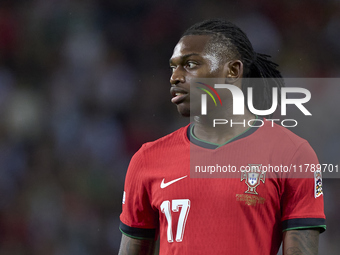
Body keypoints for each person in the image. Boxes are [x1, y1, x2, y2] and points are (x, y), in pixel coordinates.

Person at [118, 19, 325, 255]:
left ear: (233, 71)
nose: (175, 77)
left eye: (191, 64)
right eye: (173, 67)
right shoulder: (147, 159)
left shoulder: (292, 154)